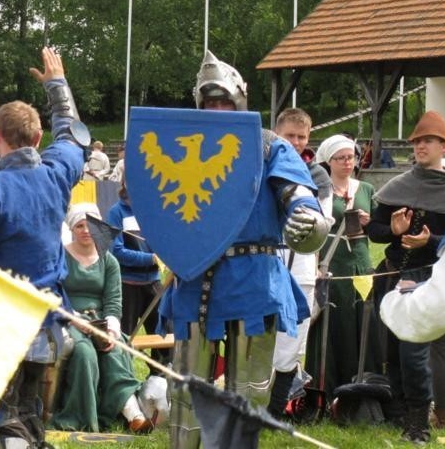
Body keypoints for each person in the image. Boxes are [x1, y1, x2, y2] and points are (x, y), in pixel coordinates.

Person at [158, 50, 329, 449]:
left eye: (224, 102)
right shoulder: (186, 145)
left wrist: (307, 215)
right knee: (184, 391)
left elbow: (297, 191)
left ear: (240, 101)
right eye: (210, 103)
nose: (217, 110)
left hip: (253, 277)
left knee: (247, 390)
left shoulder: (268, 146)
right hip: (194, 275)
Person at [0, 47, 88, 449]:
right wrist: (57, 86)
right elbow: (71, 136)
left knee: (10, 421)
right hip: (46, 320)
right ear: (37, 138)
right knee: (29, 415)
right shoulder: (56, 176)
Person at [368, 110, 445, 442]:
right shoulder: (398, 185)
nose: (420, 146)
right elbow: (374, 230)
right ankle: (401, 415)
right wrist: (391, 229)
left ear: (443, 146)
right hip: (390, 275)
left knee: (413, 350)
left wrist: (429, 241)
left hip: (427, 278)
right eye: (417, 141)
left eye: (428, 140)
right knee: (391, 350)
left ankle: (419, 423)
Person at [50, 203, 152, 433]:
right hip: (68, 320)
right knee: (85, 353)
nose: (86, 230)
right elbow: (54, 296)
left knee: (114, 350)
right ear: (72, 229)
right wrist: (77, 320)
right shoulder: (60, 257)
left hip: (101, 322)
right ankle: (81, 418)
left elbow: (114, 302)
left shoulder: (109, 261)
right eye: (79, 226)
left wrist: (112, 331)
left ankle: (133, 415)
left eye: (90, 225)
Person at [267, 108, 334, 418]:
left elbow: (319, 224)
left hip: (302, 268)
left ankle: (276, 411)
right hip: (265, 263)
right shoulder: (261, 166)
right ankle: (251, 405)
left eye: (301, 137)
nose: (295, 142)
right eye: (289, 135)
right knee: (259, 340)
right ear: (276, 133)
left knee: (291, 344)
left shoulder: (318, 175)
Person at [303, 135, 378, 403]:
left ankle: (361, 390)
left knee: (361, 324)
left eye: (351, 157)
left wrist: (371, 223)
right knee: (331, 326)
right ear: (328, 161)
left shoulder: (366, 189)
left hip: (360, 264)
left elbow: (380, 232)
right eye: (341, 158)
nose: (348, 163)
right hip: (331, 265)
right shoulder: (319, 190)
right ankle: (326, 389)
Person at [106, 181, 167, 373]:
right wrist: (150, 259)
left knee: (163, 337)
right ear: (125, 182)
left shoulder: (153, 210)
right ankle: (124, 384)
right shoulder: (116, 213)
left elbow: (164, 239)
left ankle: (159, 380)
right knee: (124, 340)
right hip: (128, 285)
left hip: (154, 284)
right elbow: (116, 251)